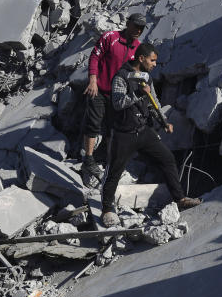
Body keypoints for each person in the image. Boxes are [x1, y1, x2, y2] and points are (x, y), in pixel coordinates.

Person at [101, 42, 201, 226]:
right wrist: (138, 93)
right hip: (123, 134)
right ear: (141, 58)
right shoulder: (121, 77)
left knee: (167, 159)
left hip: (143, 130)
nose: (155, 64)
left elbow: (153, 101)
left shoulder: (147, 78)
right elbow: (117, 103)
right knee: (115, 170)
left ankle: (180, 199)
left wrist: (163, 121)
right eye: (152, 60)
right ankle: (107, 209)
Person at [81, 12, 146, 186]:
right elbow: (95, 57)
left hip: (118, 96)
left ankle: (104, 161)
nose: (138, 30)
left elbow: (136, 72)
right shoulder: (110, 37)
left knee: (113, 129)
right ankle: (88, 159)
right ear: (128, 23)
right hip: (100, 89)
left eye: (141, 28)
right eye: (135, 26)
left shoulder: (138, 48)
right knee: (93, 124)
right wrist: (93, 80)